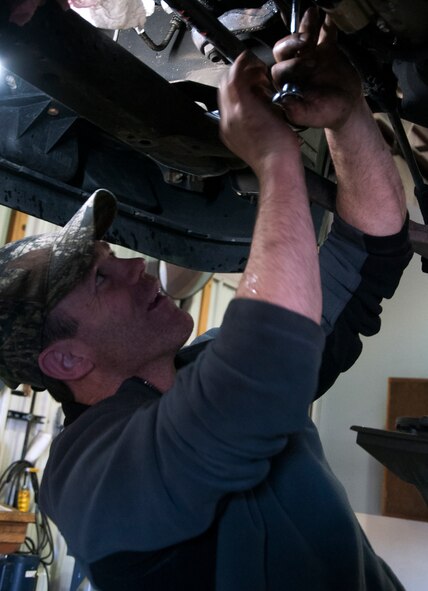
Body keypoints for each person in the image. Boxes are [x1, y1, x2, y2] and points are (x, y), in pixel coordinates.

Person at [0, 8, 412, 591]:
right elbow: (254, 387)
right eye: (98, 279)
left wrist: (347, 119)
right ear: (66, 360)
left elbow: (368, 251)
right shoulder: (86, 478)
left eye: (110, 258)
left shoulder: (208, 368)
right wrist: (273, 159)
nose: (134, 266)